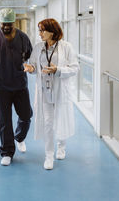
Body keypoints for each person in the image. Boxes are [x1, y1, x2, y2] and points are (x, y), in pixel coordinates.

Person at [24, 18, 79, 170]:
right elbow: (35, 65)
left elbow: (75, 68)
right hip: (44, 91)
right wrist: (31, 69)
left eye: (42, 30)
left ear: (52, 32)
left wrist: (58, 70)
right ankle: (49, 155)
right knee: (48, 123)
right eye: (39, 30)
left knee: (61, 118)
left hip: (61, 90)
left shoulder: (66, 47)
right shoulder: (38, 47)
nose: (40, 33)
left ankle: (61, 146)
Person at [0, 8, 33, 166]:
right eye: (3, 23)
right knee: (4, 120)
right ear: (0, 22)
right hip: (2, 87)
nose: (6, 26)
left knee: (26, 115)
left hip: (20, 84)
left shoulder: (23, 38)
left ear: (14, 22)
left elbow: (28, 56)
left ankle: (19, 138)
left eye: (9, 23)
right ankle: (7, 152)